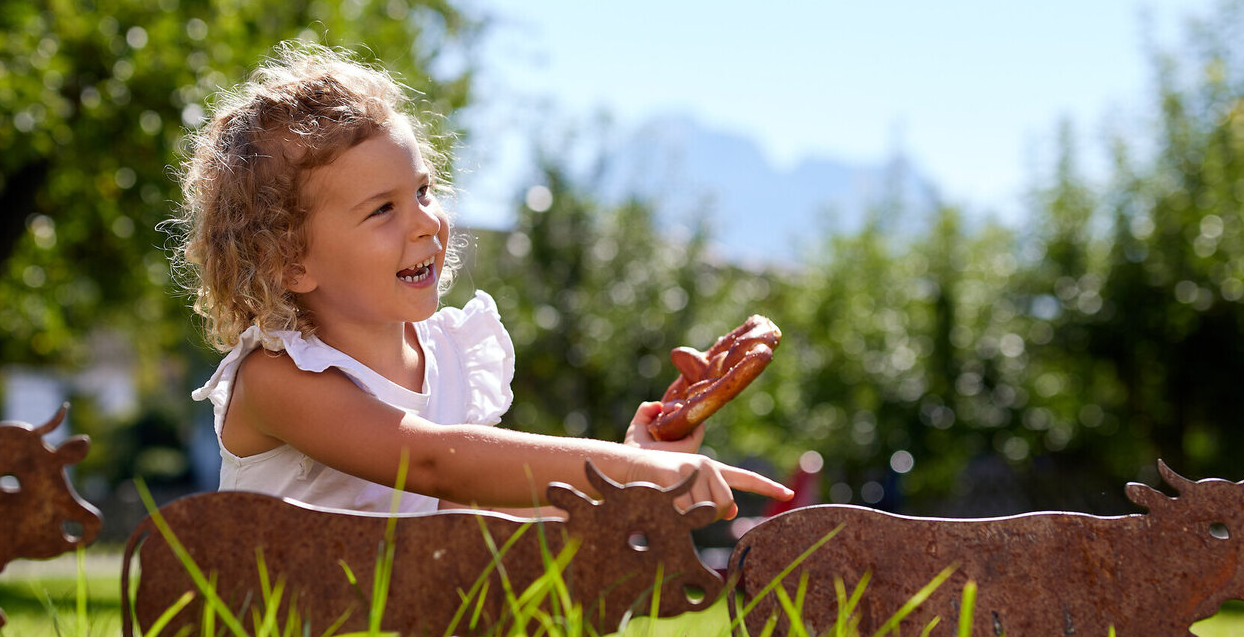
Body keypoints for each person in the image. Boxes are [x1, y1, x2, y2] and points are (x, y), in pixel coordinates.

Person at [167, 42, 790, 518]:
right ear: (288, 261)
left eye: (422, 192)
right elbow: (439, 464)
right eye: (382, 209)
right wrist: (627, 470)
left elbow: (489, 518)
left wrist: (635, 463)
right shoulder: (277, 378)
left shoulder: (449, 360)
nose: (424, 225)